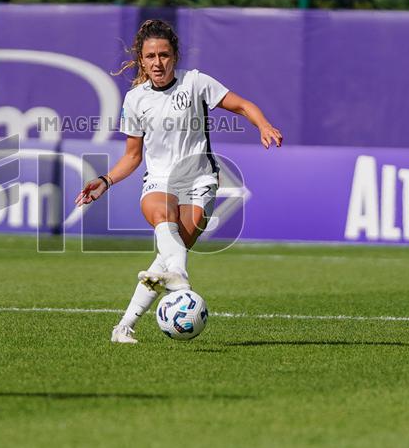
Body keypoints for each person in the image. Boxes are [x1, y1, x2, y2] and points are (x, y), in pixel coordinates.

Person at [75, 19, 282, 344]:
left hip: (200, 181)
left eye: (164, 55)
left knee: (168, 257)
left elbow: (241, 105)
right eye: (151, 57)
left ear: (175, 56)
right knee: (163, 218)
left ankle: (124, 326)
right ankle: (181, 283)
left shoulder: (196, 83)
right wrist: (105, 180)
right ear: (141, 60)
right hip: (158, 182)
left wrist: (264, 126)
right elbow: (132, 156)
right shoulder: (135, 100)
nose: (158, 63)